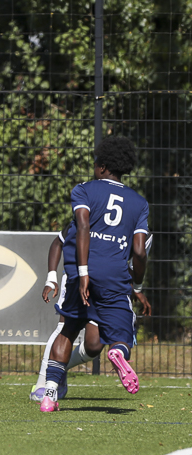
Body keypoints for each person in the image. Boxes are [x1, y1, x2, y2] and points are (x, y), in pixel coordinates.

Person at [40, 136, 149, 412]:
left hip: (81, 272)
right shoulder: (139, 203)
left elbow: (83, 225)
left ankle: (49, 395)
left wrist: (83, 272)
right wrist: (137, 285)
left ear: (102, 167)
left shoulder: (84, 190)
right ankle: (118, 352)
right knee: (122, 332)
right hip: (114, 275)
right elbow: (139, 251)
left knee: (68, 329)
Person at [29, 224, 151, 402]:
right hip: (77, 278)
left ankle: (59, 369)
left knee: (94, 345)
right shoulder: (88, 216)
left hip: (107, 283)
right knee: (65, 328)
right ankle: (43, 385)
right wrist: (51, 278)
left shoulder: (141, 231)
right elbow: (58, 242)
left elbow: (135, 265)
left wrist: (129, 287)